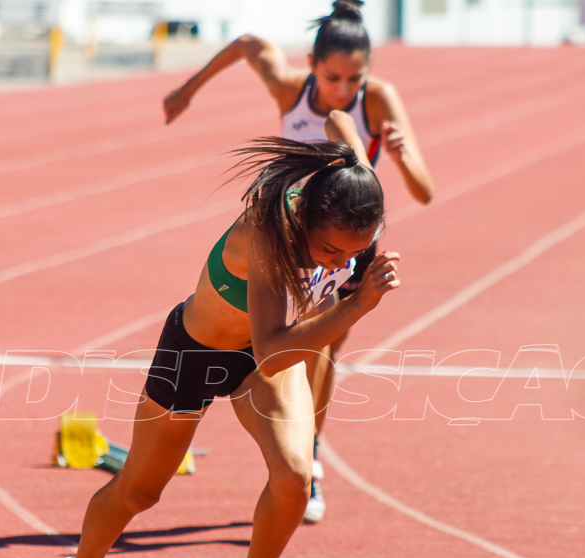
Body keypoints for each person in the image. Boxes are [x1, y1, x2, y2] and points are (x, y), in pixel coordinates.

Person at [49, 111, 400, 558]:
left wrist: (349, 148)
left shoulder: (356, 204)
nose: (343, 261)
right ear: (305, 218)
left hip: (258, 364)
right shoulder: (266, 237)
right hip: (200, 352)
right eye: (332, 252)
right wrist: (358, 302)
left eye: (355, 252)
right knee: (140, 491)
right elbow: (277, 350)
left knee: (295, 476)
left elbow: (340, 124)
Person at [163, 0, 433, 524]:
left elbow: (423, 191)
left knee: (321, 344)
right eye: (333, 77)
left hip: (346, 238)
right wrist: (188, 90)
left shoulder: (378, 100)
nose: (343, 89)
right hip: (289, 233)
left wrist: (399, 154)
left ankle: (309, 454)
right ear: (312, 64)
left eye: (355, 77)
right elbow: (247, 45)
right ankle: (299, 453)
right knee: (288, 344)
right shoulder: (291, 90)